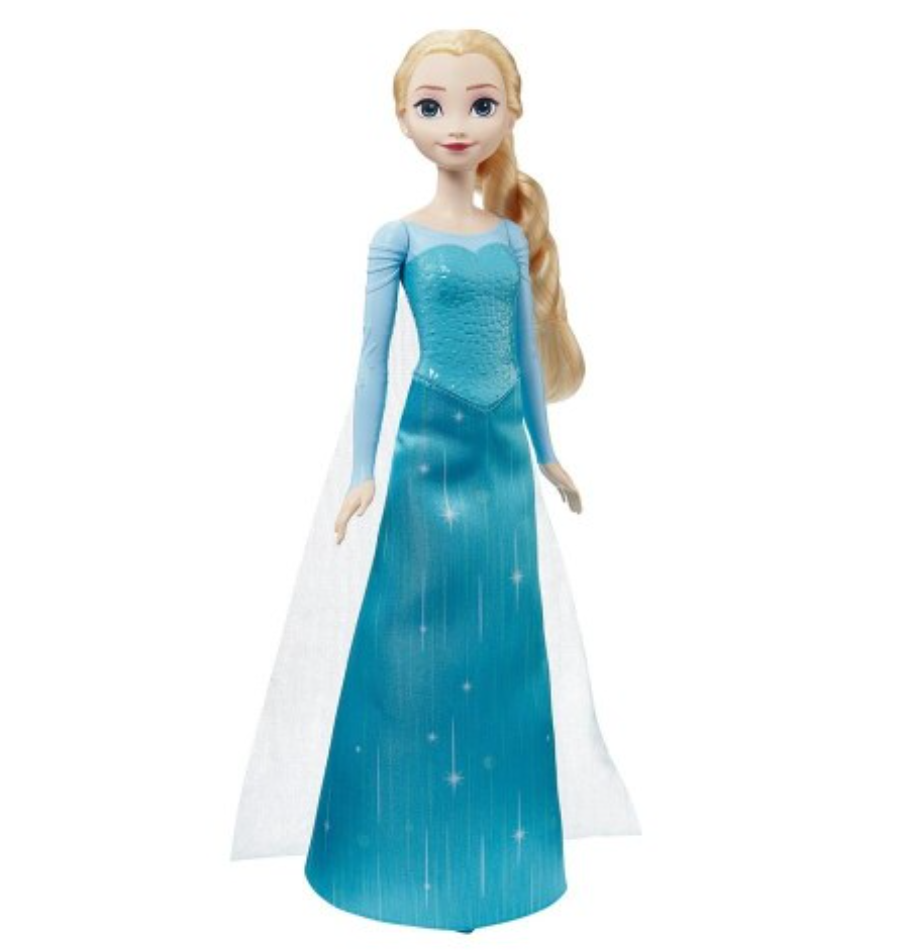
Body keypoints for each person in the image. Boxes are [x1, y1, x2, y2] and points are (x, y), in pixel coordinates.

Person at [231, 29, 640, 932]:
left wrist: (546, 452)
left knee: (503, 644)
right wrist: (362, 470)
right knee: (410, 638)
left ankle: (498, 863)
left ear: (510, 112)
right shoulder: (398, 238)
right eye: (432, 104)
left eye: (478, 103)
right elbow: (371, 359)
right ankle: (392, 855)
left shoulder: (509, 240)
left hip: (500, 459)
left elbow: (525, 355)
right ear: (403, 117)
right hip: (427, 450)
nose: (455, 122)